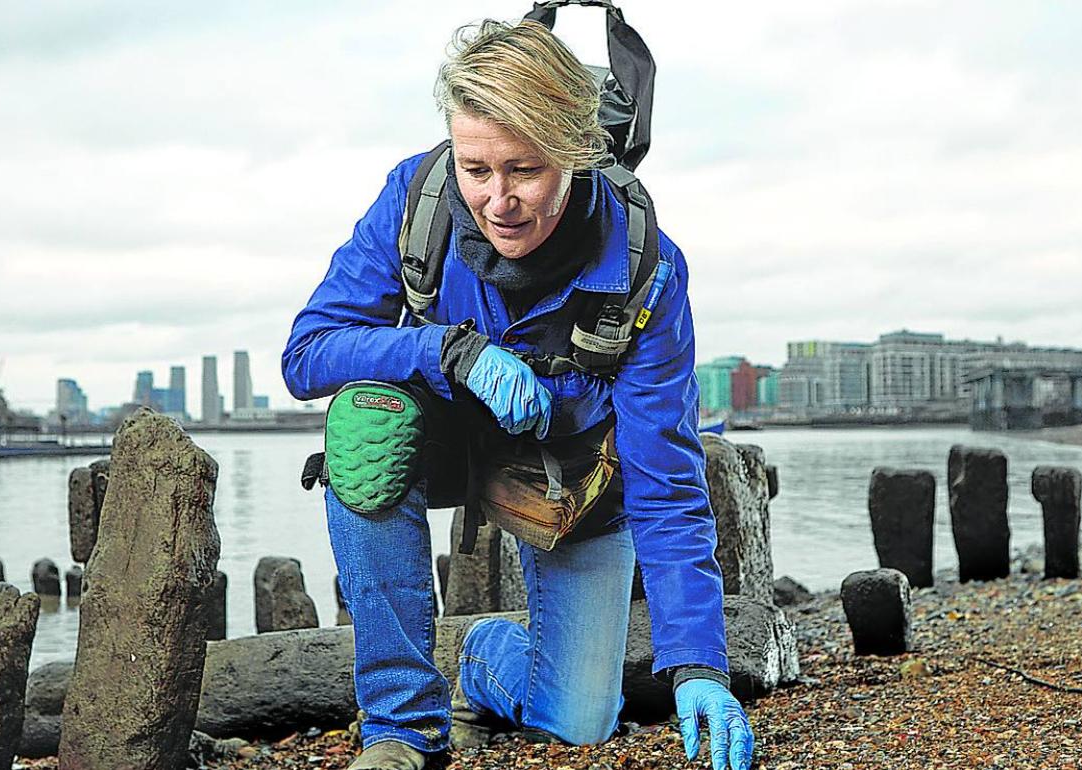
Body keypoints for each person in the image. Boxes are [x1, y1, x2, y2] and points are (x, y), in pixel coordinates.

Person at [282, 18, 754, 770]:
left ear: (576, 153)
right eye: (476, 169)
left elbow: (665, 479)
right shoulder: (418, 200)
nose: (496, 200)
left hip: (569, 473)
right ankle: (404, 730)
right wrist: (448, 351)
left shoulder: (646, 269)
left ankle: (483, 654)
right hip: (444, 439)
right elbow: (307, 356)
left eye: (524, 171)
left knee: (580, 722)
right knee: (365, 424)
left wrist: (700, 666)